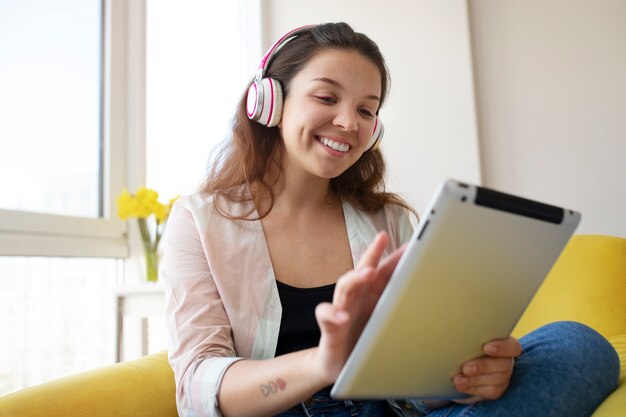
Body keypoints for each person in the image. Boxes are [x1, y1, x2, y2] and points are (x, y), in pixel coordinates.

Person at [161, 22, 619, 417]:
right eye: (327, 96)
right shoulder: (199, 221)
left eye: (366, 109)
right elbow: (201, 384)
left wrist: (470, 376)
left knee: (577, 344)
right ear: (268, 102)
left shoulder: (389, 219)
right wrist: (324, 363)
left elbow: (416, 384)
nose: (347, 122)